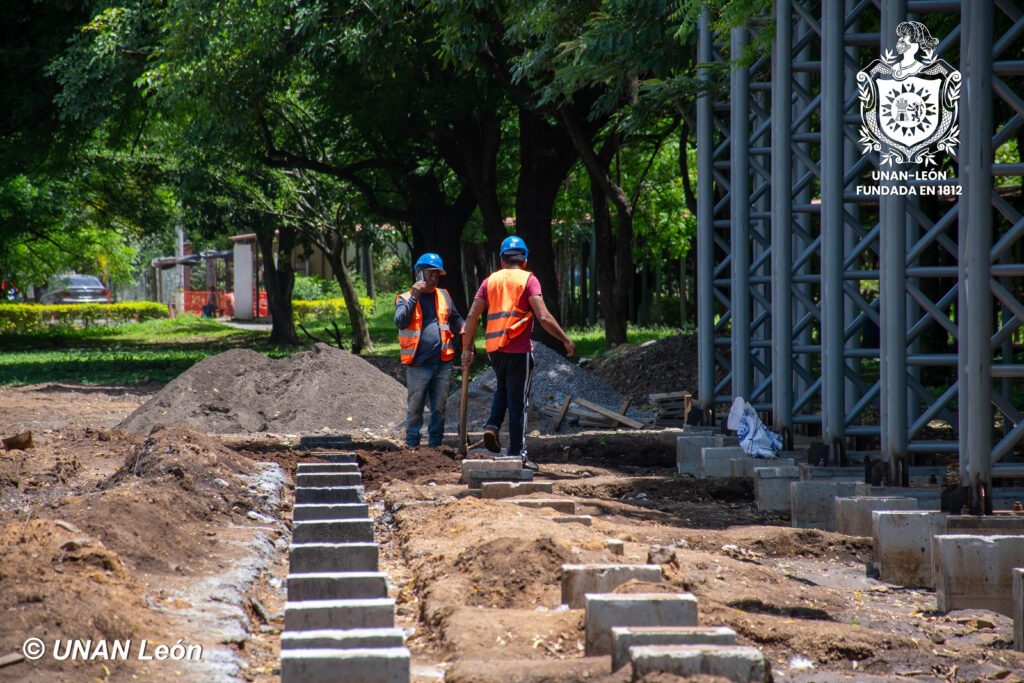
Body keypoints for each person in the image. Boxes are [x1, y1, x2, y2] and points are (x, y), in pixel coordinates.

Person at [462, 236, 576, 470]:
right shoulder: (529, 280)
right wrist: (565, 339)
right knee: (518, 403)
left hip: (495, 350)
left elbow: (472, 315)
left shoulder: (489, 281)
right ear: (524, 260)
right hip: (518, 349)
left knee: (502, 389)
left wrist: (467, 348)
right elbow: (543, 316)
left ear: (502, 260)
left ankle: (492, 426)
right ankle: (518, 455)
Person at [395, 253, 466, 448]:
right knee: (415, 408)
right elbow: (401, 322)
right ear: (419, 274)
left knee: (439, 408)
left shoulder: (444, 295)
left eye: (437, 275)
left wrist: (462, 326)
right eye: (430, 275)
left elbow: (455, 317)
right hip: (418, 364)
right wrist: (415, 297)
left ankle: (436, 446)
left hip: (442, 362)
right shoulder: (405, 298)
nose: (434, 279)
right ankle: (412, 445)